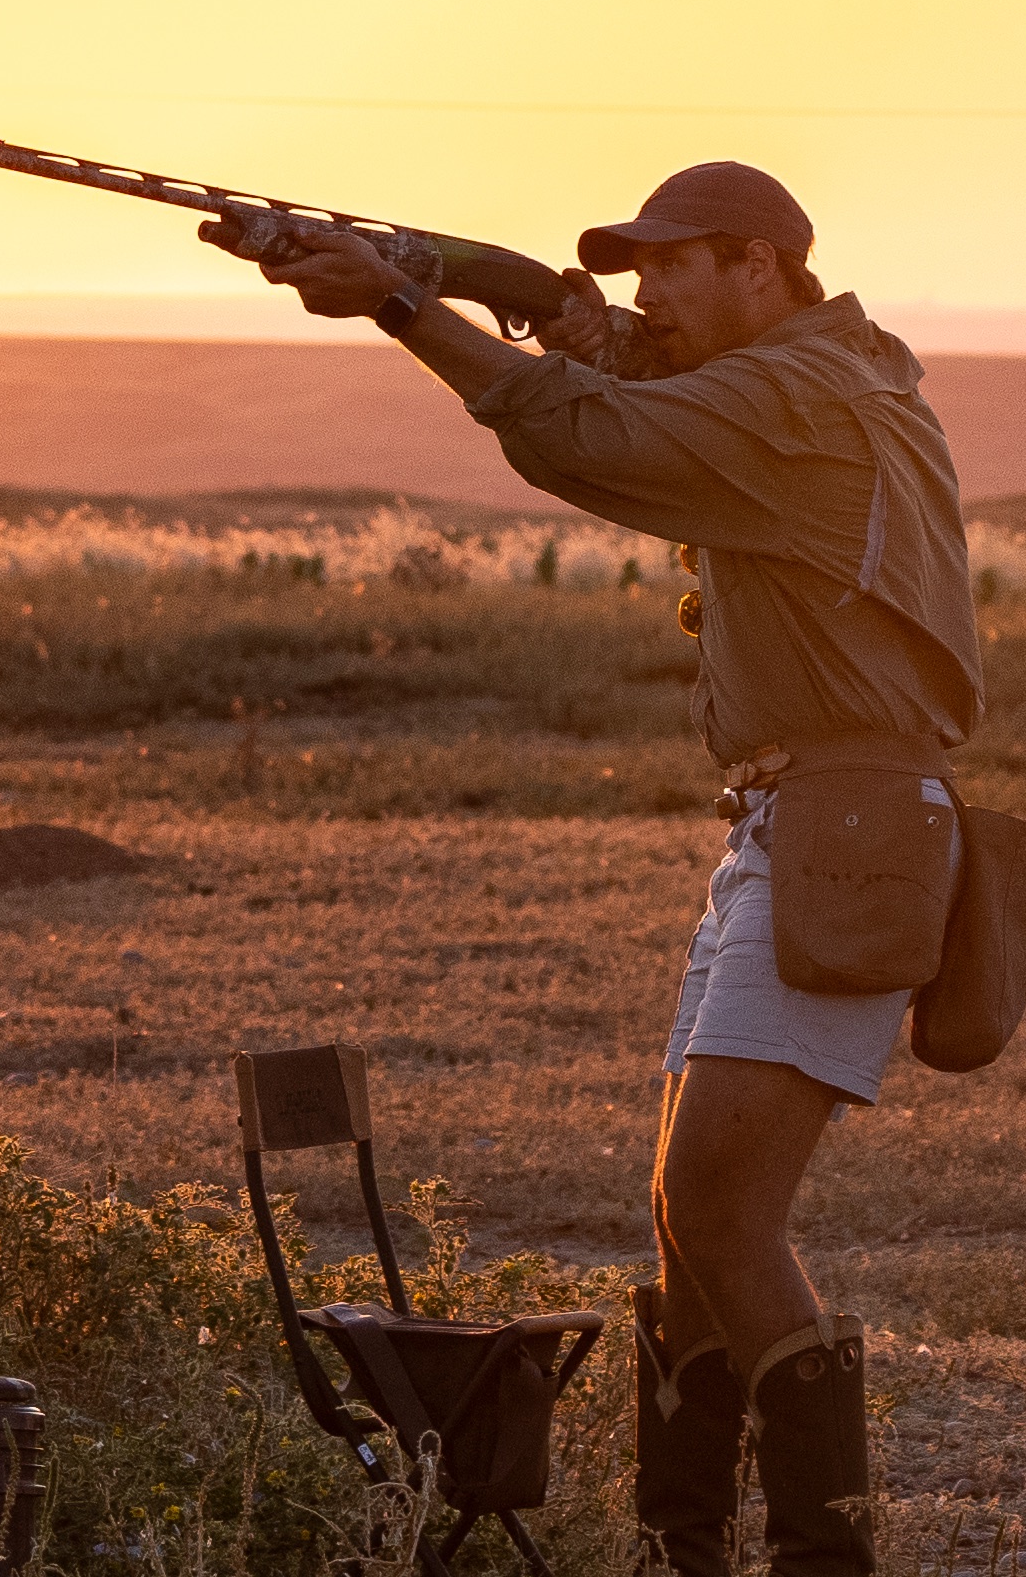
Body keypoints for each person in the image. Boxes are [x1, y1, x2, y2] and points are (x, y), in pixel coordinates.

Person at [216, 160, 979, 1577]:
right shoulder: (817, 365)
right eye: (630, 278)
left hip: (846, 836)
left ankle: (824, 1560)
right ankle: (676, 1553)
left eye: (672, 270)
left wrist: (400, 304)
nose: (646, 299)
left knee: (717, 1213)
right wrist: (501, 287)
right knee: (685, 1232)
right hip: (795, 827)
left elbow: (587, 437)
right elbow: (628, 366)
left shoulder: (801, 400)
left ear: (761, 265)